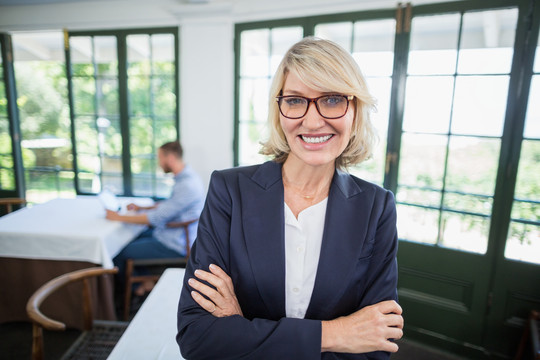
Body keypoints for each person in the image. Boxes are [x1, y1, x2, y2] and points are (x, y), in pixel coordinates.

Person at [177, 37, 403, 359]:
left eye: (333, 99)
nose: (312, 121)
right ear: (279, 110)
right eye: (296, 101)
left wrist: (241, 327)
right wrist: (335, 333)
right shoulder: (229, 191)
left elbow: (376, 344)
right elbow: (197, 337)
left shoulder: (376, 208)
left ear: (355, 110)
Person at [107, 140, 205, 295]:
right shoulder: (186, 177)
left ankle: (137, 290)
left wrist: (117, 217)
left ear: (170, 158)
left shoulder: (187, 185)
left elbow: (155, 219)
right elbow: (171, 204)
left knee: (119, 252)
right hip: (172, 233)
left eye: (160, 158)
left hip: (175, 242)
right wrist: (143, 208)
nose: (159, 163)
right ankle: (146, 281)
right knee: (131, 238)